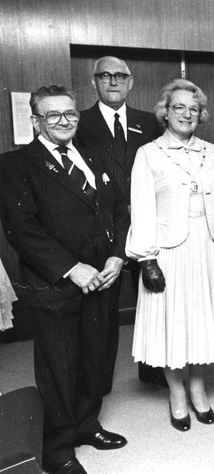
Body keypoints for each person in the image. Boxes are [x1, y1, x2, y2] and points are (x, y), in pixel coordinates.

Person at [0, 85, 128, 474]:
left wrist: (117, 255)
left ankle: (87, 425)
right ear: (35, 120)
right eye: (52, 115)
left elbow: (119, 210)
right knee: (59, 366)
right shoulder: (15, 164)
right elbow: (21, 230)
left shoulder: (94, 154)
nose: (63, 121)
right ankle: (58, 450)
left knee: (95, 358)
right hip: (55, 285)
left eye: (69, 114)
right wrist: (73, 268)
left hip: (103, 278)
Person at [126, 79, 214, 432]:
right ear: (165, 112)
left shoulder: (212, 151)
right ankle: (176, 392)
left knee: (200, 321)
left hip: (205, 246)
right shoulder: (148, 153)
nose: (187, 114)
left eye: (193, 108)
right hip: (168, 252)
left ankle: (198, 387)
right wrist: (147, 259)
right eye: (179, 107)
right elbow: (141, 209)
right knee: (171, 324)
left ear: (200, 114)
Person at [75, 55, 162, 391]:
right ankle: (99, 384)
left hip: (147, 224)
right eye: (105, 75)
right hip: (105, 227)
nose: (113, 81)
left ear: (131, 82)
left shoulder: (148, 121)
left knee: (154, 300)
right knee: (103, 311)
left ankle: (154, 371)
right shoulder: (79, 122)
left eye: (120, 76)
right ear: (94, 81)